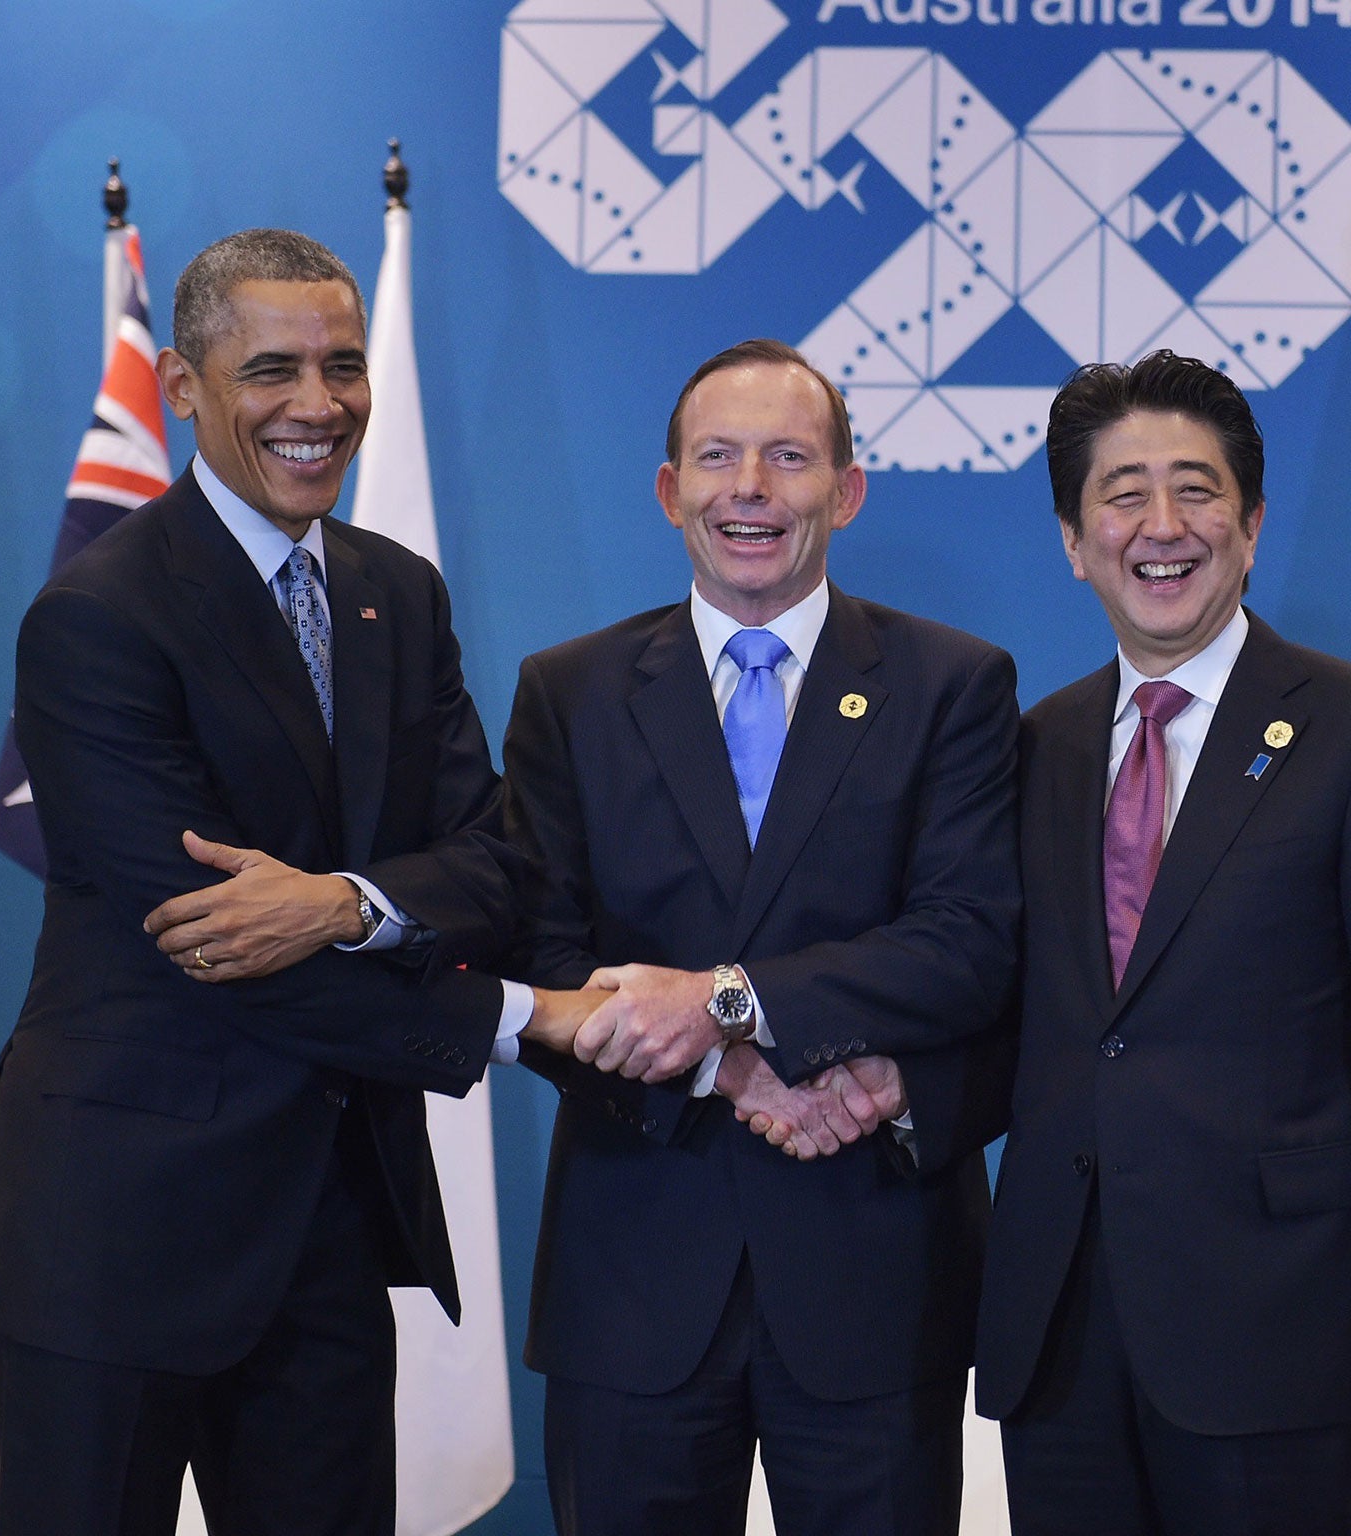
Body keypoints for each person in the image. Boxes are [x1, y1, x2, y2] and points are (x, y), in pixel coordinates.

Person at [0, 228, 594, 1536]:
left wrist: (344, 901)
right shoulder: (101, 614)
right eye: (272, 369)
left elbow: (496, 867)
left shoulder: (395, 595)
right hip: (120, 1230)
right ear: (182, 386)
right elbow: (213, 947)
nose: (319, 404)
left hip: (336, 1225)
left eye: (343, 366)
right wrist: (515, 1022)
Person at [501, 338, 1021, 1536]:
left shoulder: (951, 685)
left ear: (843, 491)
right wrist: (735, 1067)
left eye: (787, 459)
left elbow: (966, 942)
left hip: (871, 1272)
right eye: (717, 458)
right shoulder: (567, 692)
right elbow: (540, 963)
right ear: (668, 488)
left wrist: (726, 996)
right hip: (632, 1270)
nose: (749, 488)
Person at [974, 351, 1351, 1535]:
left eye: (1195, 490)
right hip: (1059, 1330)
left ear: (1249, 526)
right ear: (1070, 536)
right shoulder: (1031, 747)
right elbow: (1020, 1020)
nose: (1161, 526)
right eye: (1121, 492)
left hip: (1280, 1327)